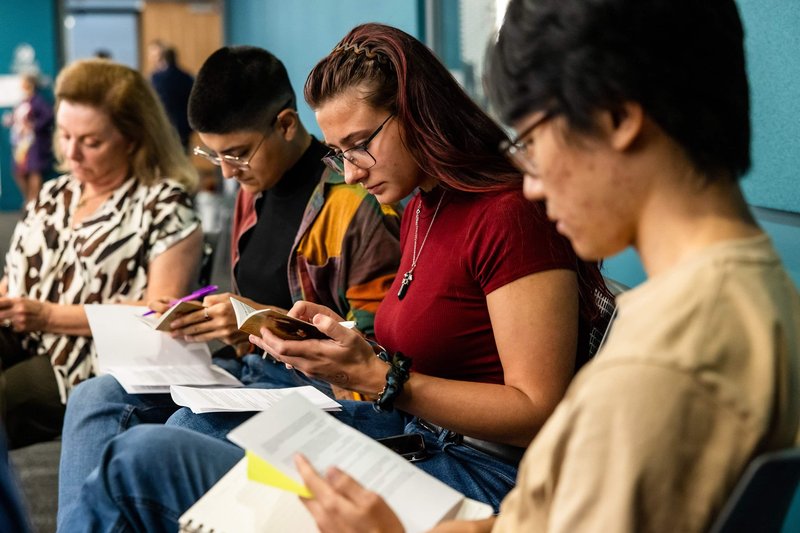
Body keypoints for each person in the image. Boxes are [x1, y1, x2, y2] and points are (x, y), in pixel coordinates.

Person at [57, 23, 613, 532]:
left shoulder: (508, 215)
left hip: (476, 473)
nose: (350, 171)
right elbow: (431, 345)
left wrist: (380, 378)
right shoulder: (423, 203)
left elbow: (536, 411)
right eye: (337, 152)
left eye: (361, 144)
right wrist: (342, 344)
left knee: (146, 457)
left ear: (419, 112)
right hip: (414, 434)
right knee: (173, 426)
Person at [285, 1, 800, 532]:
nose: (530, 182)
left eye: (532, 140)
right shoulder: (753, 296)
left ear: (618, 120)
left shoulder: (663, 360)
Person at [56, 45, 402, 527]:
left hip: (318, 386)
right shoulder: (251, 190)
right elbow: (236, 307)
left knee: (186, 427)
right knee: (96, 397)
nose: (224, 172)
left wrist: (253, 317)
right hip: (248, 372)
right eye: (211, 154)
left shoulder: (356, 203)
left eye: (236, 153)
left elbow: (374, 354)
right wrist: (209, 318)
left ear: (285, 125)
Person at [0, 58, 203, 449]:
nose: (72, 154)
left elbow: (158, 317)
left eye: (91, 142)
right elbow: (20, 273)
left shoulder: (163, 207)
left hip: (88, 361)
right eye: (64, 136)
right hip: (23, 333)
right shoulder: (54, 195)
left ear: (132, 138)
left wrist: (48, 315)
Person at [1, 72, 54, 205]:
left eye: (23, 83)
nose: (21, 86)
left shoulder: (38, 101)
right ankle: (29, 199)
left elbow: (48, 116)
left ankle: (34, 201)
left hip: (34, 143)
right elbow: (19, 118)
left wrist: (34, 126)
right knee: (18, 171)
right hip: (21, 144)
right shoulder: (23, 102)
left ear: (30, 84)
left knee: (34, 171)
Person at [149, 44, 194, 150]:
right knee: (183, 156)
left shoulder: (156, 78)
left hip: (163, 125)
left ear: (163, 58)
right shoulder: (186, 77)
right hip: (184, 124)